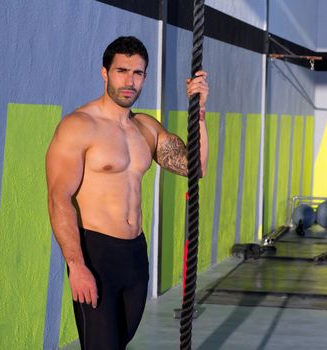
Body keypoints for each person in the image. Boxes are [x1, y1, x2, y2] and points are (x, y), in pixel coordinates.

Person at [46, 36, 209, 350]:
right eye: (122, 71)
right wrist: (77, 266)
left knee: (120, 341)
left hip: (135, 255)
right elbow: (58, 198)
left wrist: (199, 111)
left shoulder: (146, 128)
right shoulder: (78, 126)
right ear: (105, 73)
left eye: (138, 73)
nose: (130, 81)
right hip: (95, 253)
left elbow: (195, 167)